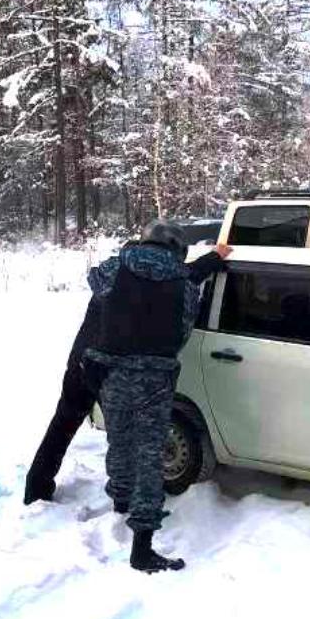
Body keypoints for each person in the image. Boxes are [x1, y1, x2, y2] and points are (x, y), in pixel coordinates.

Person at [81, 220, 230, 573]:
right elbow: (182, 330)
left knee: (119, 440)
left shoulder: (117, 267)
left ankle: (120, 497)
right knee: (149, 455)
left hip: (111, 372)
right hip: (153, 378)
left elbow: (95, 281)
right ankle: (142, 547)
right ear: (177, 248)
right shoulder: (183, 283)